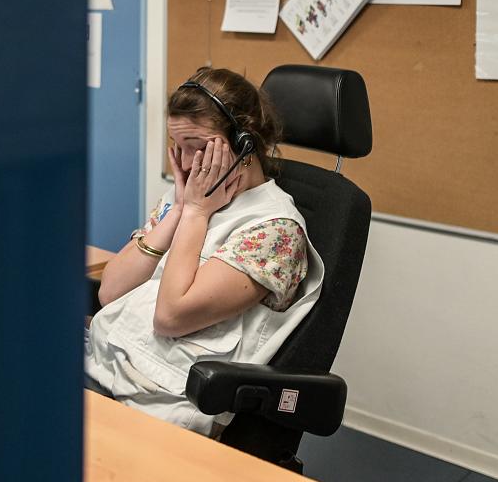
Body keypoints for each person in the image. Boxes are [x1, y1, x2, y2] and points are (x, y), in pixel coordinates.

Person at [84, 67, 324, 436]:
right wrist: (177, 211)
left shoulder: (275, 231)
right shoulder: (191, 195)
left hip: (157, 400)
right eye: (176, 146)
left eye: (197, 147)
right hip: (107, 364)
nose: (182, 162)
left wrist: (195, 214)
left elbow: (170, 317)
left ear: (245, 144)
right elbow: (110, 291)